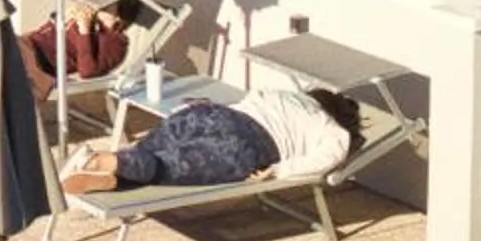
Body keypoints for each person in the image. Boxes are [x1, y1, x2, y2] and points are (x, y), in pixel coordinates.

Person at [62, 84, 365, 194]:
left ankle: (110, 172)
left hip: (210, 112)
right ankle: (103, 161)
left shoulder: (286, 94)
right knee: (169, 167)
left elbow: (248, 100)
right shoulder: (329, 127)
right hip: (247, 144)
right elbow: (331, 155)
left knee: (153, 148)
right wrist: (280, 169)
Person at [20, 0, 141, 100]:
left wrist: (84, 29)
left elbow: (87, 72)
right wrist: (61, 18)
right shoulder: (93, 22)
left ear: (119, 17)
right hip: (27, 44)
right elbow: (44, 33)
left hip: (36, 60)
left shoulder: (116, 45)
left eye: (107, 6)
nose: (100, 6)